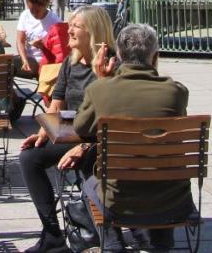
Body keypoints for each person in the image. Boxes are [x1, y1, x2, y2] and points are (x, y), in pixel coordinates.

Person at [71, 23, 192, 252]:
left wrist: (101, 81)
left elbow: (81, 127)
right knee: (158, 170)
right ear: (154, 57)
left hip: (120, 201)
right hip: (173, 199)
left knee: (89, 180)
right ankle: (160, 243)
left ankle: (113, 244)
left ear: (119, 56)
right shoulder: (176, 92)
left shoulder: (101, 90)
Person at [19, 6, 116, 253]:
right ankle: (52, 234)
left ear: (93, 32)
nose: (69, 30)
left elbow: (111, 113)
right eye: (70, 24)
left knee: (87, 163)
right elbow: (57, 102)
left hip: (99, 139)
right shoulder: (70, 63)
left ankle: (92, 230)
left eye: (76, 26)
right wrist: (45, 131)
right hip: (71, 132)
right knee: (30, 156)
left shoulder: (110, 63)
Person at [16, 0, 61, 76]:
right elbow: (20, 40)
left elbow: (59, 52)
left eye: (37, 11)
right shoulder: (25, 15)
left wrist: (43, 46)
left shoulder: (55, 22)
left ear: (45, 5)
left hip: (46, 62)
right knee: (5, 64)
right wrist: (24, 60)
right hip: (29, 59)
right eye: (31, 10)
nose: (34, 14)